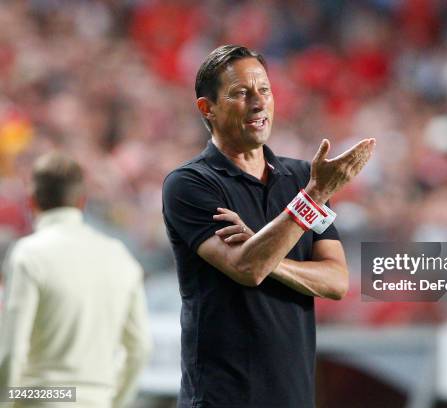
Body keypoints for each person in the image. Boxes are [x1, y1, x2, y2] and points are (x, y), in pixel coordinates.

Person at [162, 44, 375, 408]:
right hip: (220, 399)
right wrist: (315, 196)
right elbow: (246, 267)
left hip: (293, 396)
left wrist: (268, 254)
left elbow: (337, 282)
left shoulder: (301, 178)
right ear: (206, 108)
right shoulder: (190, 184)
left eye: (264, 90)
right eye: (241, 93)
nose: (258, 102)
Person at [0, 152, 152, 407]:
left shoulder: (28, 254)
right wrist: (111, 400)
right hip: (98, 399)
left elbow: (13, 351)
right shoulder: (119, 256)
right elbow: (140, 349)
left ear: (32, 201)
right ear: (82, 202)